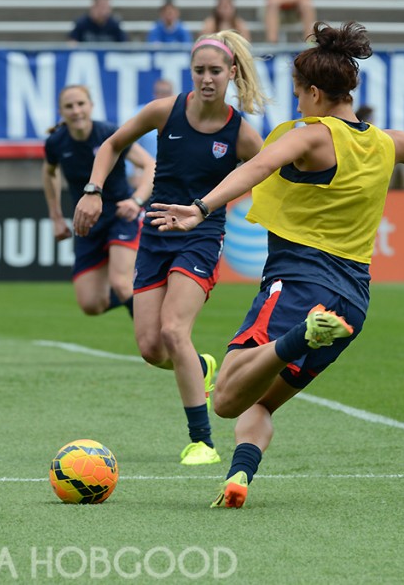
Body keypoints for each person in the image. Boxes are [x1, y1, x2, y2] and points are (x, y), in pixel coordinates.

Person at [146, 21, 404, 508]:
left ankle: (296, 337)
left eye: (299, 95)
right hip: (352, 301)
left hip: (302, 283)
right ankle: (240, 476)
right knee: (260, 402)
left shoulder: (312, 136)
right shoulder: (386, 143)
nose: (297, 104)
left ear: (315, 93)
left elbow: (256, 166)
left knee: (223, 398)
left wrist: (199, 208)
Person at [72, 30, 267, 467]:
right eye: (199, 71)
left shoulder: (242, 134)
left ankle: (203, 441)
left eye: (215, 71)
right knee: (150, 347)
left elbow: (270, 179)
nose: (207, 79)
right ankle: (200, 367)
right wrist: (92, 190)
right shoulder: (165, 111)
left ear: (231, 73)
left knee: (174, 331)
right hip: (156, 235)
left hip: (201, 237)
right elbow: (111, 145)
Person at [43, 85, 155, 317]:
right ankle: (147, 298)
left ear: (91, 106)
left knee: (121, 283)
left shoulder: (109, 134)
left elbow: (150, 165)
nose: (76, 111)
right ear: (60, 111)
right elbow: (49, 173)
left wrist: (136, 201)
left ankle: (156, 342)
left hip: (122, 215)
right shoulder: (56, 143)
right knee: (91, 304)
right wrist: (55, 217)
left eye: (81, 104)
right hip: (88, 223)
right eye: (69, 106)